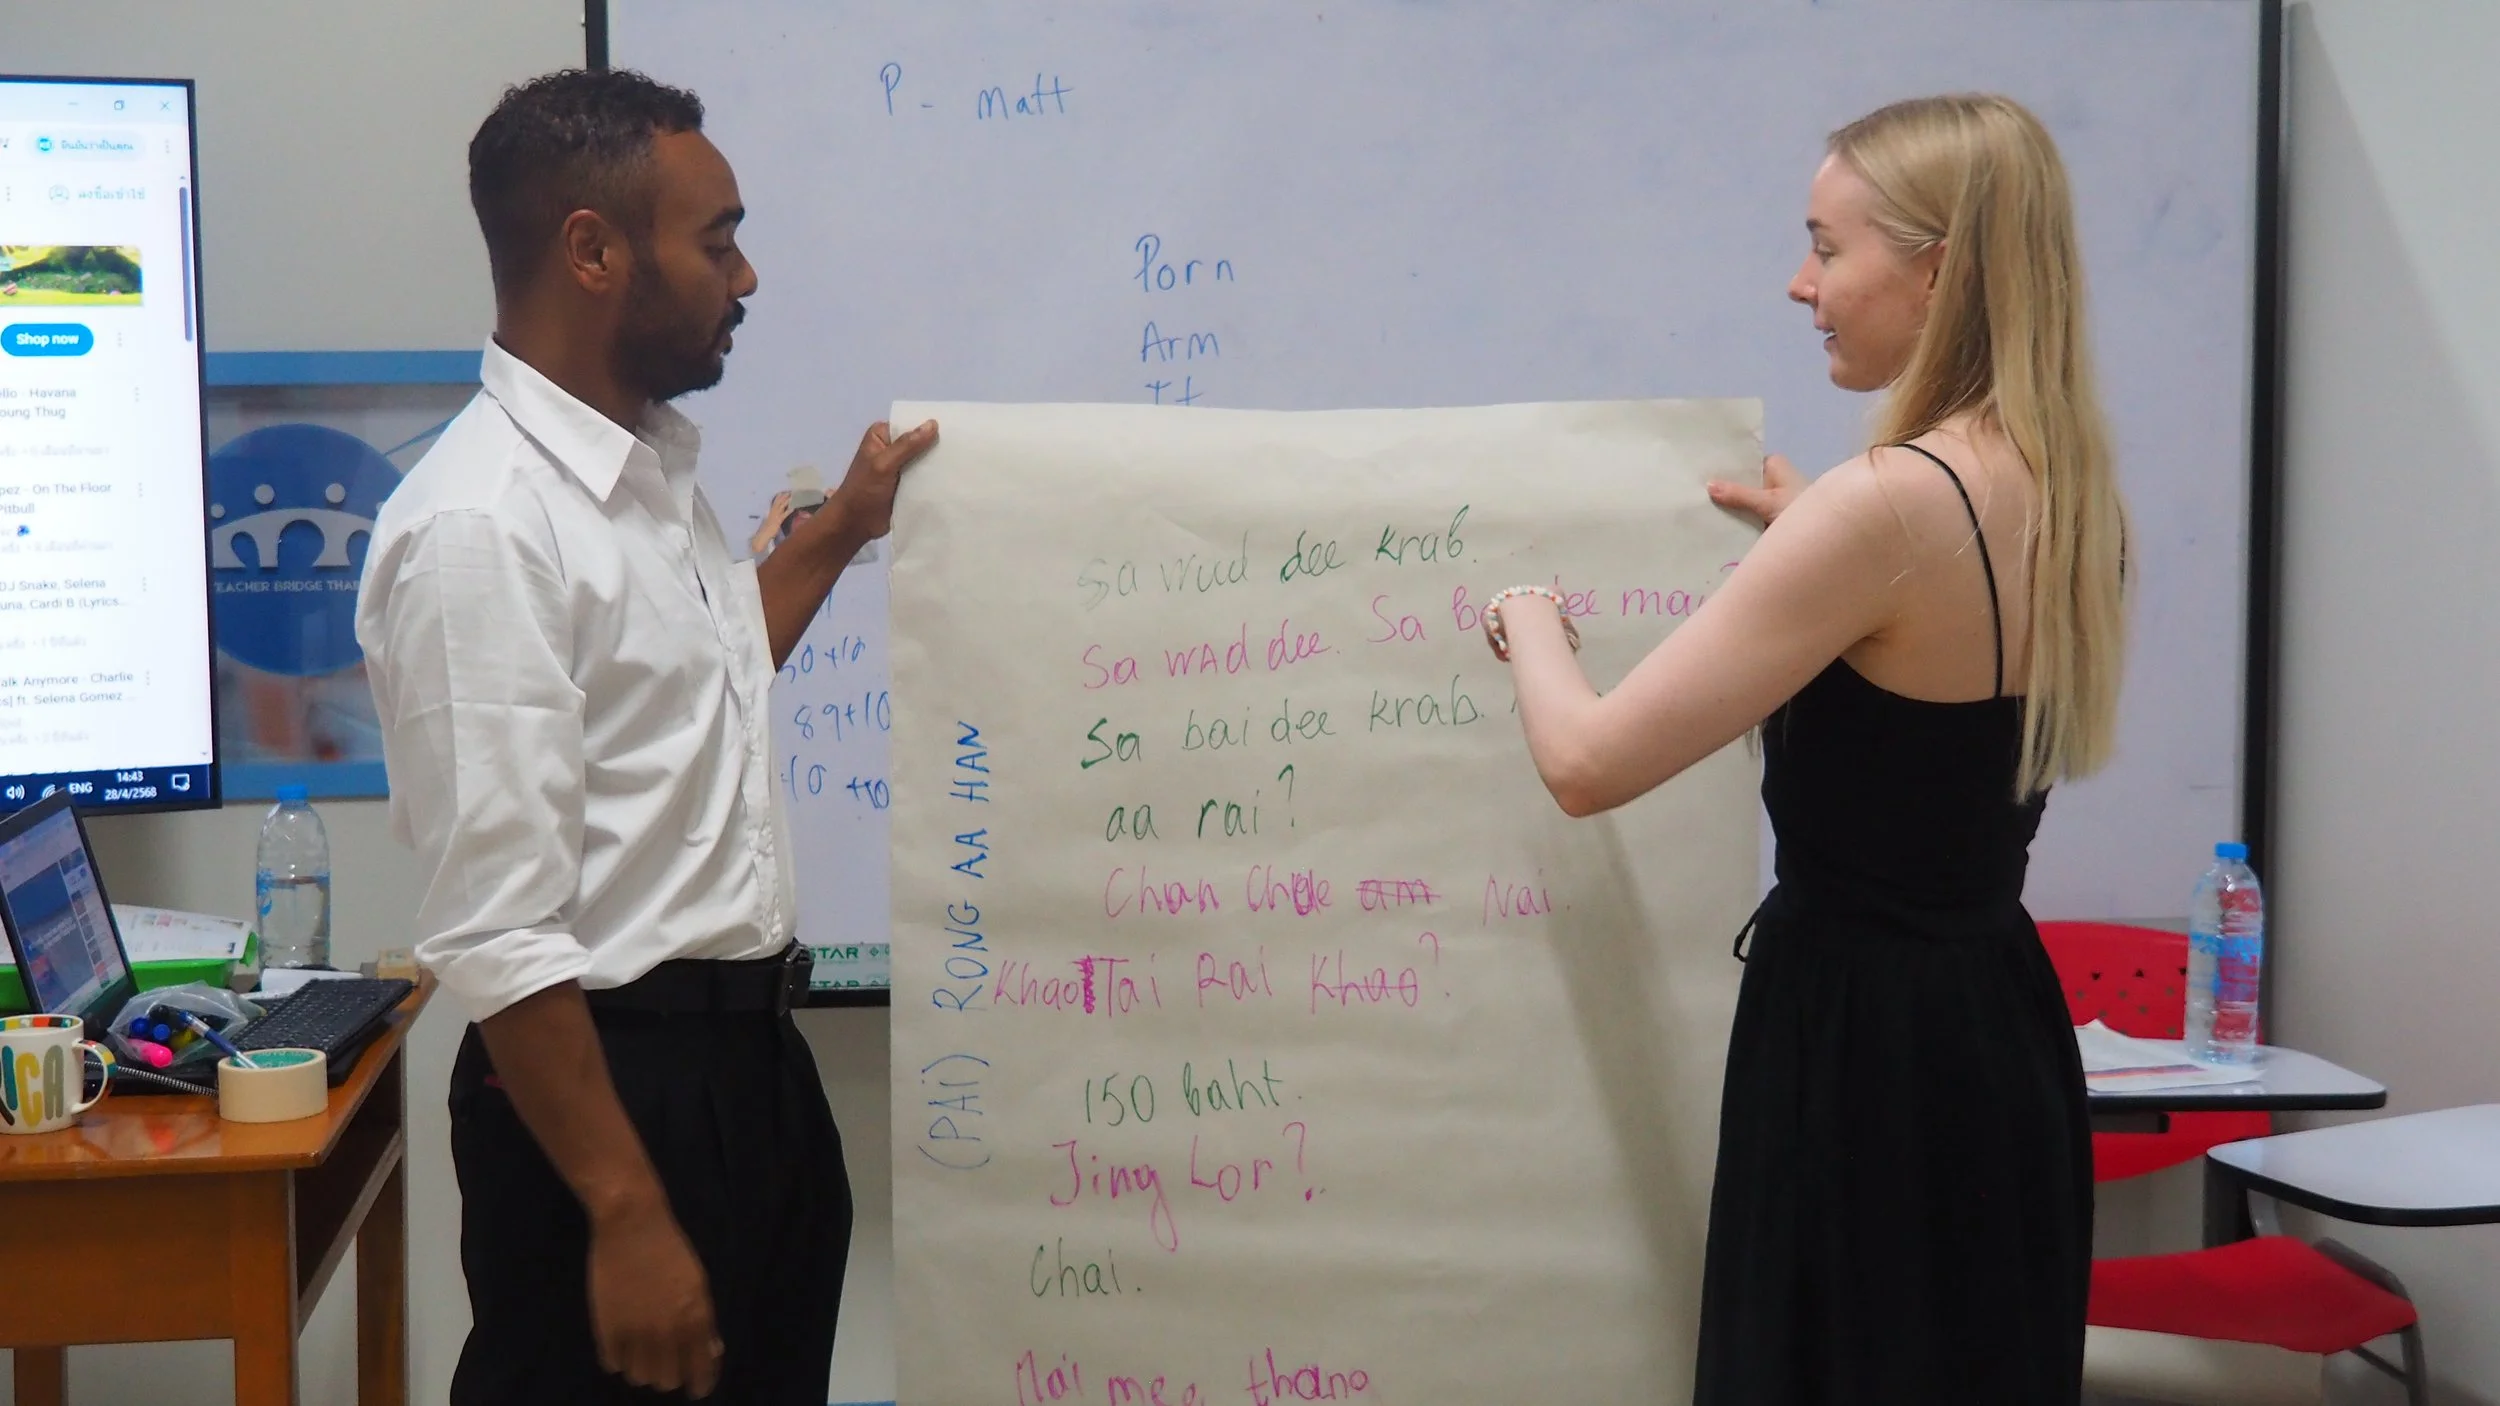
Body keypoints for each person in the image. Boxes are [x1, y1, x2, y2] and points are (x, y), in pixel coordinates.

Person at [1484, 93, 2123, 1403]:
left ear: (1937, 268)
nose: (1801, 282)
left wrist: (1528, 623)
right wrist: (1815, 535)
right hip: (1997, 1032)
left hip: (1860, 1054)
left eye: (1828, 247)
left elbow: (1586, 761)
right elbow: (1920, 644)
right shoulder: (2064, 490)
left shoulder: (1885, 509)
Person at [356, 69, 936, 1404]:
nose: (746, 278)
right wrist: (623, 1206)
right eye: (718, 238)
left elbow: (710, 671)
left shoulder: (651, 476)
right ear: (594, 249)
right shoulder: (481, 527)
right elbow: (500, 934)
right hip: (609, 1098)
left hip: (751, 1079)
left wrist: (842, 528)